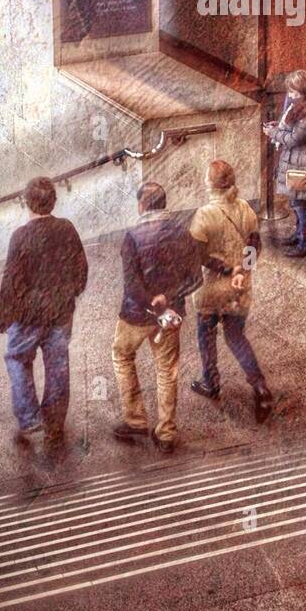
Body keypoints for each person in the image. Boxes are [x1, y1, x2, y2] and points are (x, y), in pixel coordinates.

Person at [0, 176, 88, 450]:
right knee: (58, 366)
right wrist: (70, 293)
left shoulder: (20, 236)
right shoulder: (66, 229)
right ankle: (54, 424)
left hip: (28, 316)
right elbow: (81, 269)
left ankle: (29, 417)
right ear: (54, 201)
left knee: (17, 358)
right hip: (59, 313)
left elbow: (11, 281)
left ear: (27, 202)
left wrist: (3, 318)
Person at [112, 182, 202, 454]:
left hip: (136, 315)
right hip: (171, 315)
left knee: (122, 355)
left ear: (141, 205)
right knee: (166, 369)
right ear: (164, 203)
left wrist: (152, 303)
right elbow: (195, 279)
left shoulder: (132, 237)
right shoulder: (183, 232)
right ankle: (166, 433)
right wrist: (168, 300)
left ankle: (135, 419)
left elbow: (132, 283)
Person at [188, 159, 274, 424]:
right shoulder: (245, 208)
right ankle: (260, 387)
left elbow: (198, 255)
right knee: (236, 337)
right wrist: (242, 272)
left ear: (211, 184)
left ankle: (211, 382)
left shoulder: (204, 214)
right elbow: (254, 245)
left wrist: (227, 271)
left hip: (212, 289)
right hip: (240, 289)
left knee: (206, 334)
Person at [264, 70, 306, 257]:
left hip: (303, 162)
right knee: (297, 202)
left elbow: (294, 139)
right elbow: (292, 129)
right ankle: (300, 236)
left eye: (293, 92)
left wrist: (272, 134)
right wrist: (278, 126)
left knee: (301, 205)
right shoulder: (302, 107)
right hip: (298, 160)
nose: (290, 96)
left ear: (302, 92)